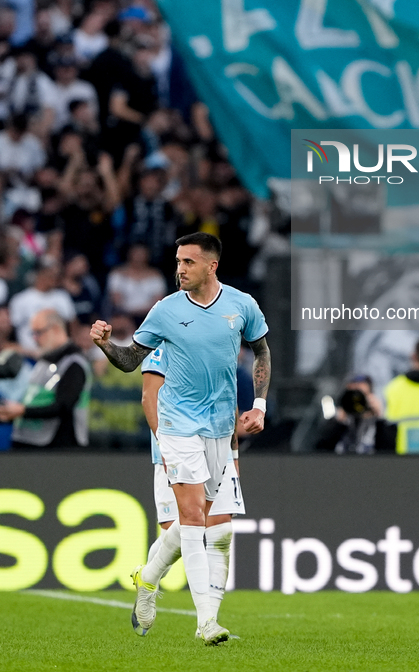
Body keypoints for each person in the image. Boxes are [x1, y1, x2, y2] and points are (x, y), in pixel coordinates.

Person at [90, 231, 270, 646]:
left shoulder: (242, 305)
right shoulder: (165, 313)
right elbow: (132, 362)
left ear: (212, 265)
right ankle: (207, 623)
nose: (180, 269)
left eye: (188, 262)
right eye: (177, 261)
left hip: (222, 429)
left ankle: (148, 576)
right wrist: (105, 345)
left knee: (218, 530)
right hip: (177, 428)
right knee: (192, 518)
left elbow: (261, 351)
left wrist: (258, 405)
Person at [141, 346, 245, 635]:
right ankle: (149, 579)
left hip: (218, 444)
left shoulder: (218, 345)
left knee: (221, 533)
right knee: (183, 528)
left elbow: (228, 401)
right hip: (178, 446)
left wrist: (234, 457)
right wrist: (164, 446)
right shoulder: (163, 347)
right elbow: (150, 396)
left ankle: (207, 622)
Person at [0, 309, 92, 447]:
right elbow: (33, 399)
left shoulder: (74, 364)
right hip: (28, 440)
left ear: (55, 329)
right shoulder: (44, 361)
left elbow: (64, 406)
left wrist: (22, 411)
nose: (35, 339)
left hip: (57, 446)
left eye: (38, 332)